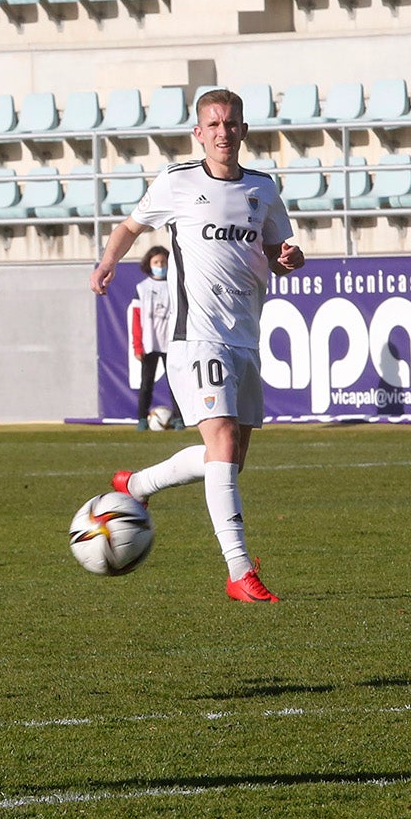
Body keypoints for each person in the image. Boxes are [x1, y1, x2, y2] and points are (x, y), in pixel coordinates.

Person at [90, 87, 304, 603]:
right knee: (223, 442)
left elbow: (278, 250)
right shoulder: (177, 181)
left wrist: (290, 259)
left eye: (231, 124)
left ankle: (136, 486)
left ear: (244, 130)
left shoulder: (263, 188)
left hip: (244, 336)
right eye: (212, 124)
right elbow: (129, 225)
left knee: (227, 457)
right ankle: (238, 571)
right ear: (198, 133)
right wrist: (107, 261)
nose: (222, 132)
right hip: (196, 335)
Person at [131, 245, 178, 432]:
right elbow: (136, 318)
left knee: (175, 383)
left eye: (163, 262)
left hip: (171, 342)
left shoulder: (174, 285)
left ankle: (179, 418)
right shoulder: (142, 288)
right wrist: (137, 345)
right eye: (156, 262)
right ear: (149, 265)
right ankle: (142, 418)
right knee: (146, 383)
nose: (160, 265)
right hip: (150, 342)